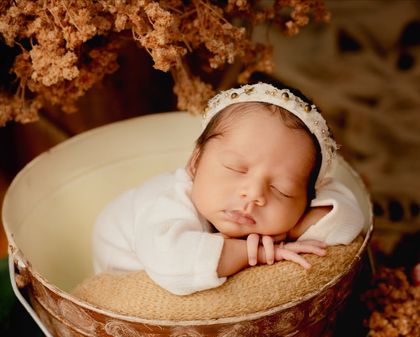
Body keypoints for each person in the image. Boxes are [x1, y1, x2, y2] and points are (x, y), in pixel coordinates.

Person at [93, 82, 365, 295]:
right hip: (127, 281)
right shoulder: (169, 201)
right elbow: (172, 265)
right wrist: (253, 253)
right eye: (236, 169)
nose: (255, 194)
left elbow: (347, 220)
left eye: (282, 189)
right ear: (195, 163)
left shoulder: (293, 207)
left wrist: (294, 226)